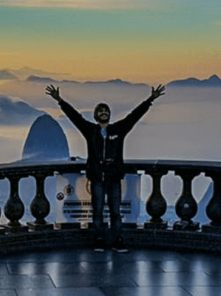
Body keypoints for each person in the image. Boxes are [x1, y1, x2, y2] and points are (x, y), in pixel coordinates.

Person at [45, 83, 165, 251]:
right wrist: (60, 101)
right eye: (100, 111)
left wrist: (150, 100)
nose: (104, 113)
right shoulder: (90, 131)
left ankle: (118, 241)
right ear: (96, 115)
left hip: (114, 178)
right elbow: (75, 117)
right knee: (98, 212)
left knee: (116, 212)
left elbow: (133, 116)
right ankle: (99, 239)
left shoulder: (118, 129)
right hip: (97, 178)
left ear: (109, 114)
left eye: (106, 111)